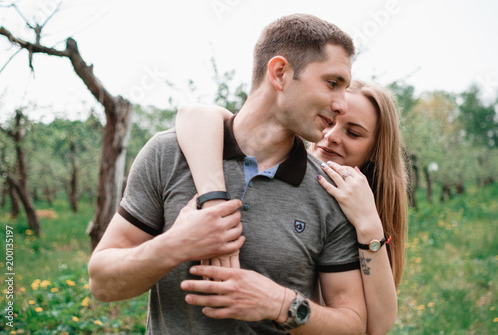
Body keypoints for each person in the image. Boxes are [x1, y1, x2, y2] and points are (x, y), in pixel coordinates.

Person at [89, 14, 368, 334]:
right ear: (280, 73)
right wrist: (174, 245)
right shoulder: (167, 154)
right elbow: (102, 283)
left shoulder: (330, 190)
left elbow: (354, 325)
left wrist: (281, 304)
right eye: (332, 83)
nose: (342, 105)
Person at [175, 80, 408, 334]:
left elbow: (377, 327)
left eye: (353, 133)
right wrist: (214, 204)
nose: (331, 137)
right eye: (330, 122)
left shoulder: (361, 208)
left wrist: (369, 223)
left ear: (375, 150)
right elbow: (194, 114)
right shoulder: (273, 156)